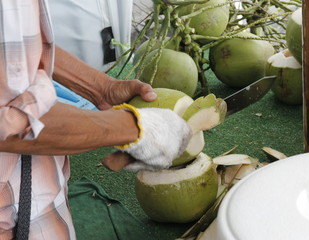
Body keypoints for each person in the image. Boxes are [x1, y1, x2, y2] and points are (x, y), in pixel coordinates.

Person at [0, 1, 192, 239]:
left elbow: (17, 43)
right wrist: (132, 128)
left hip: (36, 186)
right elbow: (7, 125)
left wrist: (101, 88)